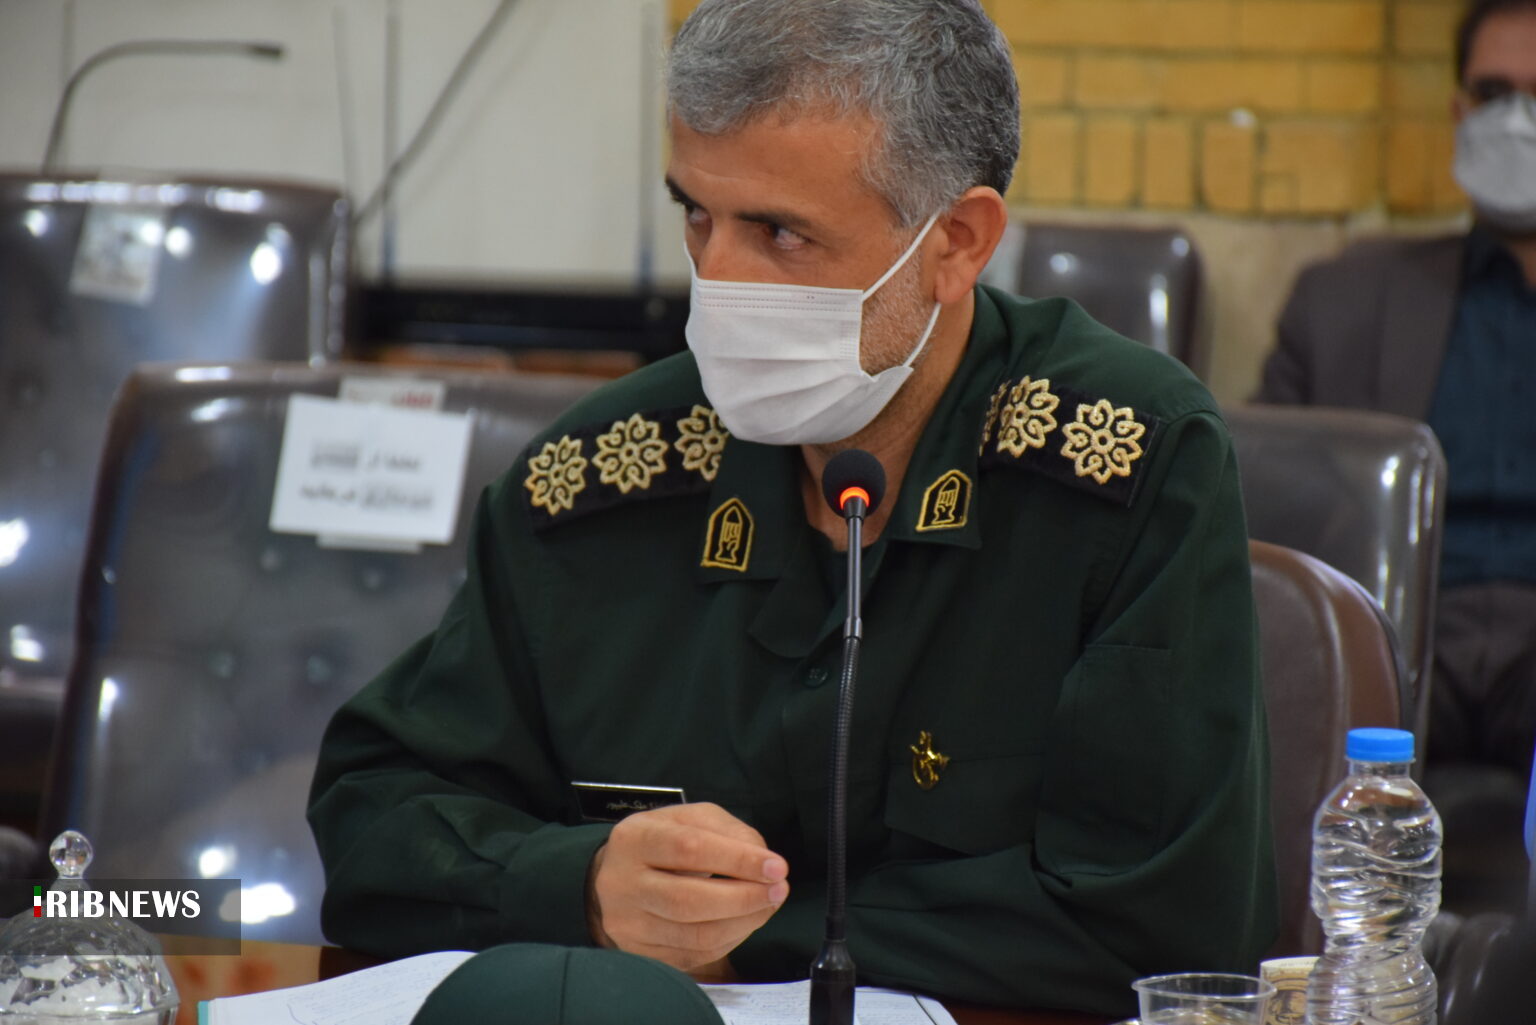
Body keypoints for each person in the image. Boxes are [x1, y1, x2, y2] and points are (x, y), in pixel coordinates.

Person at [308, 0, 1276, 1014]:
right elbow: (375, 817)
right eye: (697, 215)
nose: (718, 280)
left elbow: (1172, 925)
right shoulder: (596, 477)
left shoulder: (1127, 465)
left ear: (956, 242)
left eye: (779, 231)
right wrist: (583, 887)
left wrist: (739, 938)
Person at [1257, 0, 1536, 776]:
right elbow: (1258, 495)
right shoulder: (1344, 302)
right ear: (1459, 112)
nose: (1517, 121)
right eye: (1494, 93)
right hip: (1397, 625)